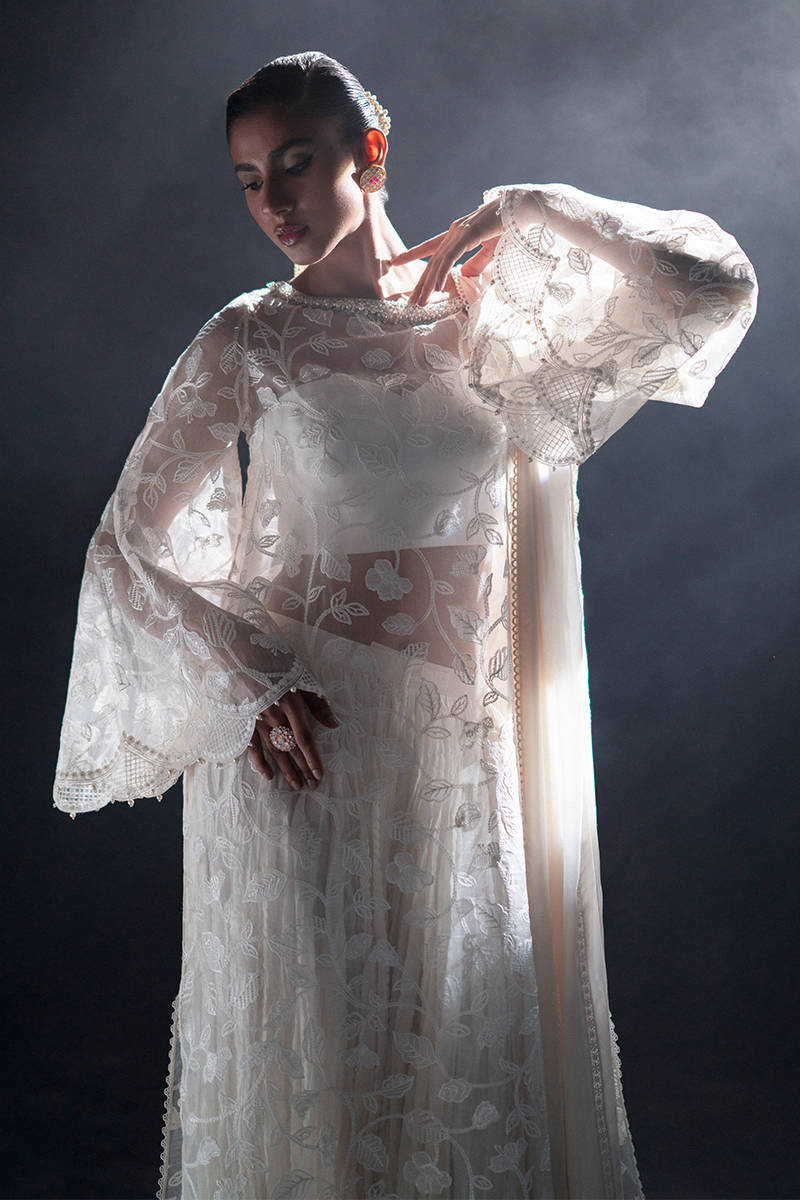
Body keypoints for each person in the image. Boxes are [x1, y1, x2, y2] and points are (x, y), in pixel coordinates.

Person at [53, 50, 757, 1200]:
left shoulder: (487, 316)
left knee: (461, 1055)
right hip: (312, 752)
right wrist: (246, 681)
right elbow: (127, 543)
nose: (273, 203)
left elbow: (709, 286)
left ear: (369, 155)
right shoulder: (250, 340)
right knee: (338, 1070)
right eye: (247, 180)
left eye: (295, 164)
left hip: (464, 757)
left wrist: (528, 208)